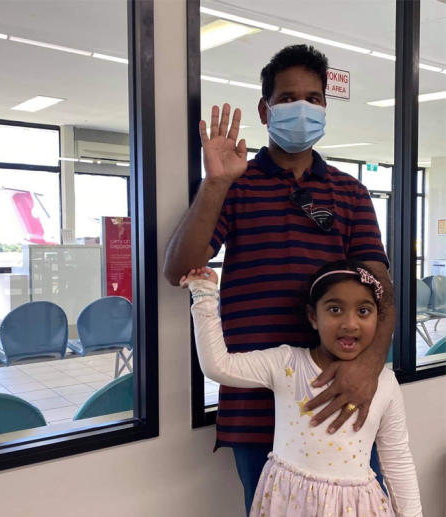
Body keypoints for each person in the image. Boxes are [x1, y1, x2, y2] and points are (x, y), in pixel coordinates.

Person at [163, 44, 393, 513]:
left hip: (336, 391)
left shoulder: (350, 194)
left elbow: (381, 292)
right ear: (265, 110)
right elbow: (177, 269)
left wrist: (368, 368)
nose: (301, 108)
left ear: (326, 107)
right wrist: (215, 184)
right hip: (256, 400)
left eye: (313, 98)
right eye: (288, 99)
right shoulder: (234, 185)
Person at [182, 262, 421, 516]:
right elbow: (219, 366)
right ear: (313, 317)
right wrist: (204, 294)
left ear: (377, 318)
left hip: (356, 508)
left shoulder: (385, 384)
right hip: (287, 502)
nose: (350, 324)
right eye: (335, 309)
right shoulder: (287, 364)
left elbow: (397, 461)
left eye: (363, 311)